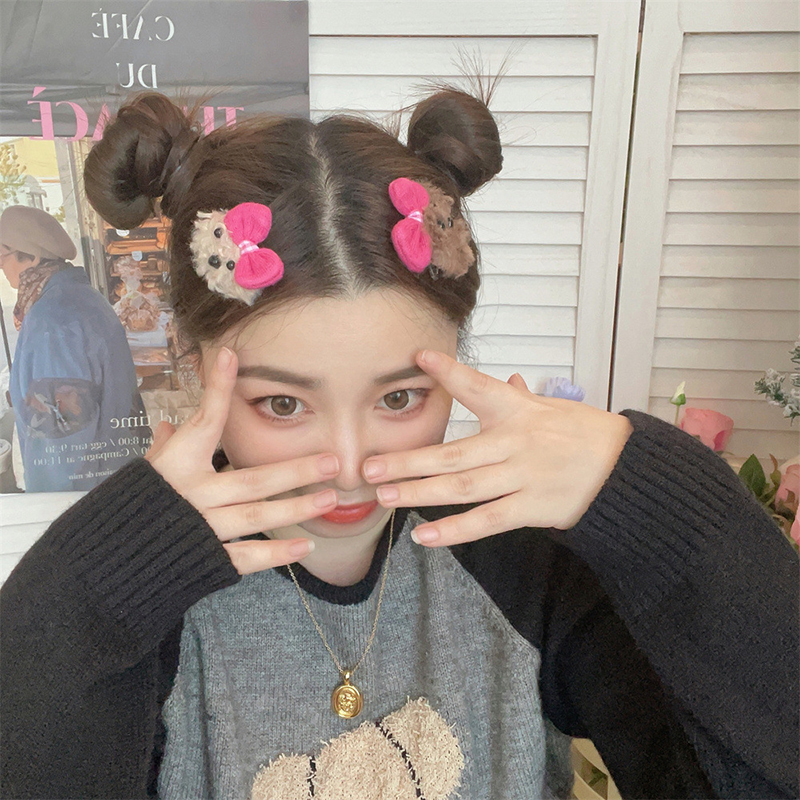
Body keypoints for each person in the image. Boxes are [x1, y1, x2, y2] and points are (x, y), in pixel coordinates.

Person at [0, 90, 797, 800]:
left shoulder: (527, 570)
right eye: (283, 403)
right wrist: (87, 595)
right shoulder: (145, 612)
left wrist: (655, 500)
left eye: (400, 398)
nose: (351, 468)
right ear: (193, 365)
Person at [0, 206, 150, 492]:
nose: (0, 267)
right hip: (114, 479)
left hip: (86, 495)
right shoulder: (83, 297)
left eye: (2, 255)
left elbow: (60, 446)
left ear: (32, 257)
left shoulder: (52, 321)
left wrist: (51, 509)